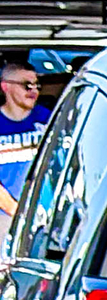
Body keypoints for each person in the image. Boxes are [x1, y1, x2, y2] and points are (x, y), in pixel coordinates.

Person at [0, 56, 52, 218]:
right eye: (27, 85)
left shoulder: (47, 118)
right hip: (6, 218)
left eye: (37, 85)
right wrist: (17, 213)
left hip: (48, 216)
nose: (34, 91)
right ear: (6, 86)